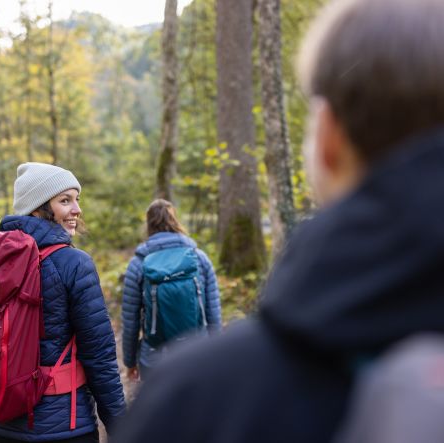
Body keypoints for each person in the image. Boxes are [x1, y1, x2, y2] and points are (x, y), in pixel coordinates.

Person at [111, 0, 444, 441]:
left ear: (328, 138)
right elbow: (211, 307)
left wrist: (134, 356)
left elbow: (131, 314)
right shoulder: (197, 256)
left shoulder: (197, 399)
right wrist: (211, 336)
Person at [0, 162, 125, 442]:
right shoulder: (74, 263)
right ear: (37, 208)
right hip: (63, 426)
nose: (77, 209)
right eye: (65, 200)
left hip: (1, 421)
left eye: (76, 200)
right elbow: (99, 355)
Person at [121, 199, 222, 381]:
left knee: (160, 408)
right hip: (198, 350)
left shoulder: (138, 264)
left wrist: (130, 362)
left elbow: (130, 321)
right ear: (176, 221)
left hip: (155, 355)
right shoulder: (200, 258)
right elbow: (213, 312)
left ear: (148, 224)